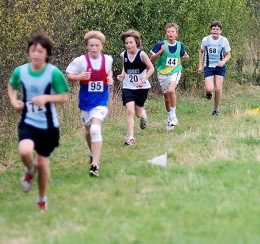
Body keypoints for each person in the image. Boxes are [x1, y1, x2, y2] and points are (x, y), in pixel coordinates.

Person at [7, 33, 70, 211]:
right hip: (28, 121)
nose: (35, 54)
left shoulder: (54, 73)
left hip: (48, 126)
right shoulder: (21, 71)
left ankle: (41, 199)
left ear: (46, 54)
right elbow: (12, 86)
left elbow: (64, 97)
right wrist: (14, 101)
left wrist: (46, 98)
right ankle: (29, 170)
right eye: (32, 50)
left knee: (43, 164)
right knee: (25, 151)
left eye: (39, 51)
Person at [66, 30, 113, 177]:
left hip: (101, 100)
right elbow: (68, 75)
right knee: (88, 132)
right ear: (87, 46)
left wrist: (110, 78)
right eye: (91, 45)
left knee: (94, 129)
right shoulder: (80, 61)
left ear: (101, 46)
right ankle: (93, 153)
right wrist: (79, 76)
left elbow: (109, 71)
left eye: (96, 45)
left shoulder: (108, 59)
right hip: (86, 101)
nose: (94, 48)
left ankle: (95, 165)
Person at [117, 29, 154, 145]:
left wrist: (142, 80)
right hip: (128, 87)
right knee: (129, 110)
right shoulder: (123, 55)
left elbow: (151, 69)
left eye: (131, 42)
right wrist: (122, 75)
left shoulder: (142, 54)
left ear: (136, 42)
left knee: (138, 114)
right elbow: (125, 66)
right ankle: (131, 137)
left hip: (141, 88)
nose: (128, 45)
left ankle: (143, 114)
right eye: (126, 43)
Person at [150, 23, 189, 130]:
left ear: (177, 34)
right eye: (168, 31)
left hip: (175, 71)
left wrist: (186, 57)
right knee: (167, 98)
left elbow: (184, 55)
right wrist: (160, 51)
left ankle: (173, 117)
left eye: (173, 31)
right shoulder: (161, 44)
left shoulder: (180, 45)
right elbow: (151, 59)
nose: (170, 33)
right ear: (165, 34)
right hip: (162, 74)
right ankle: (169, 117)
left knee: (171, 91)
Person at [198, 20, 231, 116]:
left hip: (220, 67)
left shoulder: (224, 40)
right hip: (208, 66)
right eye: (213, 29)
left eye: (217, 29)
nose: (215, 31)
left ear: (221, 31)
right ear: (210, 30)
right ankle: (208, 92)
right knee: (209, 88)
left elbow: (228, 54)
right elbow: (201, 51)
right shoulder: (205, 40)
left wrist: (223, 61)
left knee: (218, 89)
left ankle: (215, 109)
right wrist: (200, 65)